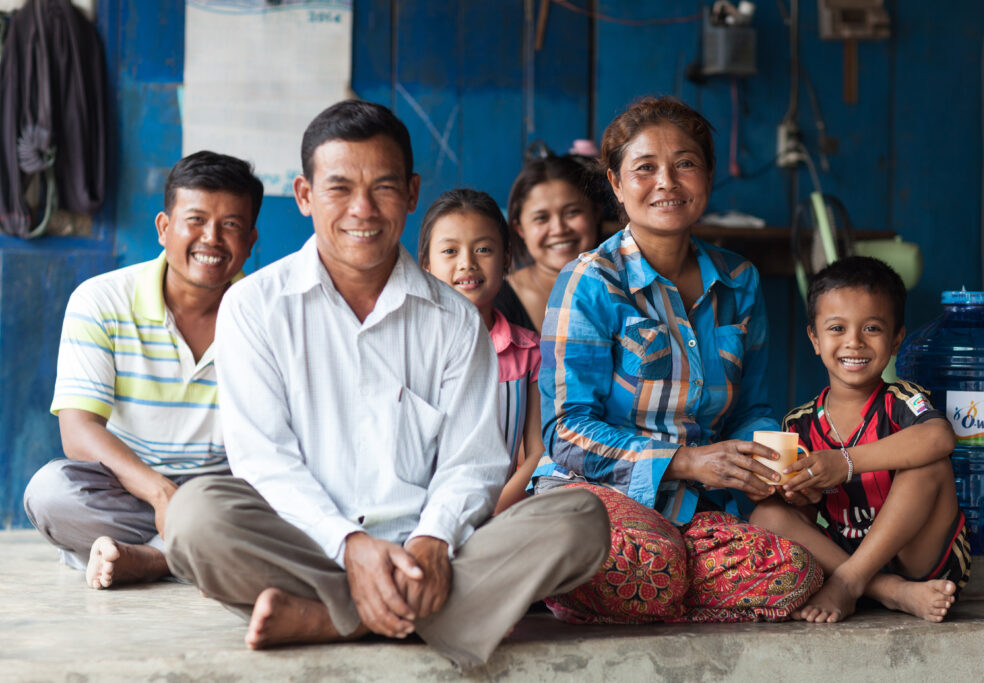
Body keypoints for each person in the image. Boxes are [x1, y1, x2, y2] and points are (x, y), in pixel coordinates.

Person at [162, 100, 609, 670]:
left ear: (413, 192)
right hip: (309, 548)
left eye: (384, 187)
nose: (362, 210)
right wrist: (351, 547)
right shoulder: (254, 307)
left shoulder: (452, 318)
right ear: (303, 195)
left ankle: (332, 619)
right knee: (194, 517)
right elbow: (263, 462)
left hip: (434, 557)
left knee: (581, 518)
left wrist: (434, 539)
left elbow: (473, 464)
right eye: (339, 188)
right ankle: (408, 615)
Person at [535, 95, 823, 624]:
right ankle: (612, 580)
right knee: (652, 563)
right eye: (645, 168)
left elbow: (750, 408)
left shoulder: (739, 280)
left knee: (794, 572)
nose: (666, 181)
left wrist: (763, 462)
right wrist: (685, 461)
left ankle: (648, 592)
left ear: (708, 176)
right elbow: (565, 431)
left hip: (693, 508)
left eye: (685, 164)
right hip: (592, 497)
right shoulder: (589, 282)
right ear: (617, 186)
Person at [22, 151, 262, 589]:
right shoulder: (100, 300)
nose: (211, 238)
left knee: (295, 501)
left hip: (224, 493)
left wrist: (196, 504)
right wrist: (158, 491)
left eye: (230, 224)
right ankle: (200, 553)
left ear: (250, 240)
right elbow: (78, 432)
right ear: (164, 229)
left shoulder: (269, 315)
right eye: (195, 220)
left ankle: (149, 559)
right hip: (127, 488)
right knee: (50, 493)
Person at [750, 256, 969, 623]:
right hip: (844, 554)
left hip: (920, 557)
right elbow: (798, 510)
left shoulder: (901, 399)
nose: (854, 342)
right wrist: (800, 495)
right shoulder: (799, 423)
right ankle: (886, 591)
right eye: (837, 328)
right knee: (765, 513)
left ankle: (852, 582)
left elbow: (939, 436)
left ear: (897, 339)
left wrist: (843, 462)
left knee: (928, 460)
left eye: (872, 328)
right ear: (814, 339)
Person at [418, 188, 544, 514]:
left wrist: (491, 512)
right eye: (449, 251)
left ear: (505, 258)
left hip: (501, 514)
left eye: (484, 249)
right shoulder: (411, 349)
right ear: (426, 265)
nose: (467, 264)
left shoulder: (529, 352)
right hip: (421, 514)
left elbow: (537, 454)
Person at [500, 154, 603, 332]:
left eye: (572, 212)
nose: (559, 229)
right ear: (520, 229)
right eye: (541, 218)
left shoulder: (630, 288)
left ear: (596, 213)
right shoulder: (498, 301)